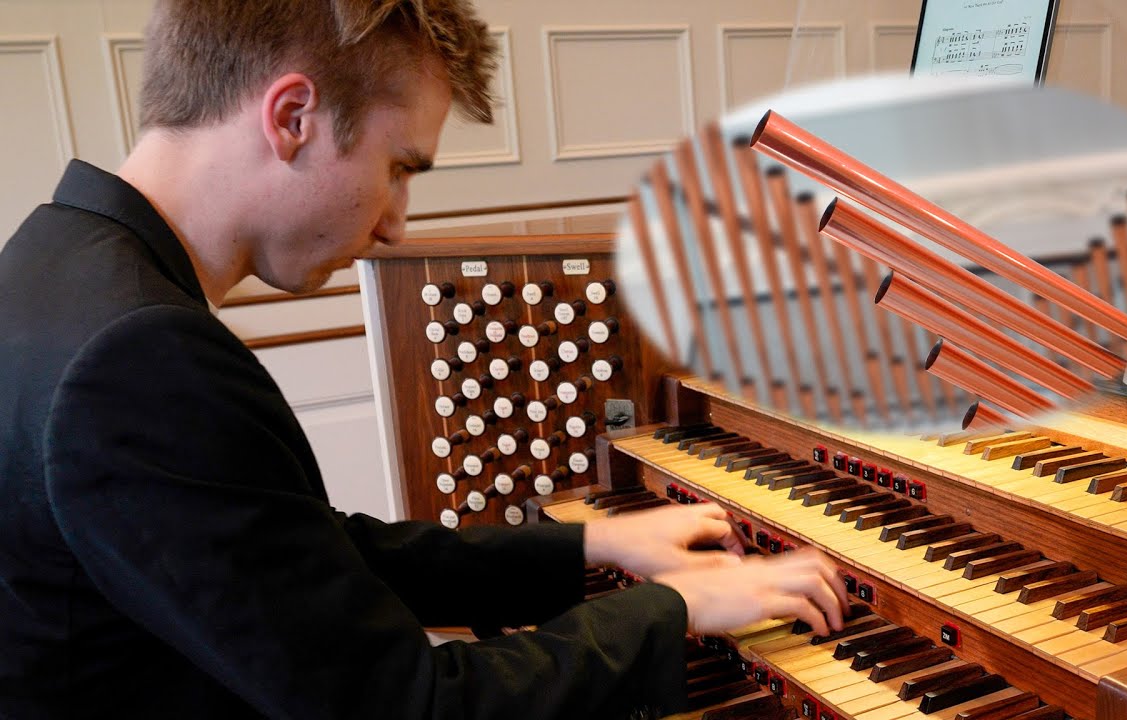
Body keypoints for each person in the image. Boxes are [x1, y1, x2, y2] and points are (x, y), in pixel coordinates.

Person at [0, 1, 847, 718]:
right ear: (292, 118)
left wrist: (593, 545)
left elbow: (301, 555)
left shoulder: (53, 266)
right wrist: (673, 609)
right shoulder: (140, 357)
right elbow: (405, 705)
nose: (396, 223)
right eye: (399, 167)